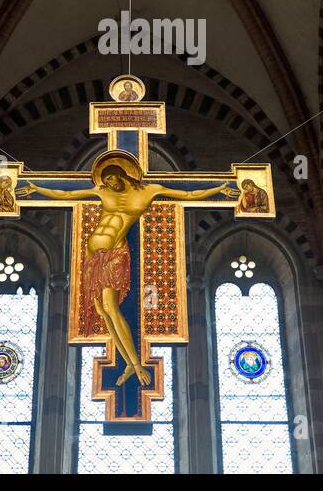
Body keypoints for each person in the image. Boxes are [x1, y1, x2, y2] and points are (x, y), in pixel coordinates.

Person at [21, 155, 236, 386]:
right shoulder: (102, 191)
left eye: (112, 176)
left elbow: (188, 194)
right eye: (106, 178)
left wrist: (221, 188)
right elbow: (66, 194)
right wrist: (36, 187)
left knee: (112, 308)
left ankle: (135, 363)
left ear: (123, 174)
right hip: (94, 257)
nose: (110, 182)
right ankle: (130, 364)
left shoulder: (149, 190)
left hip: (115, 255)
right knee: (103, 312)